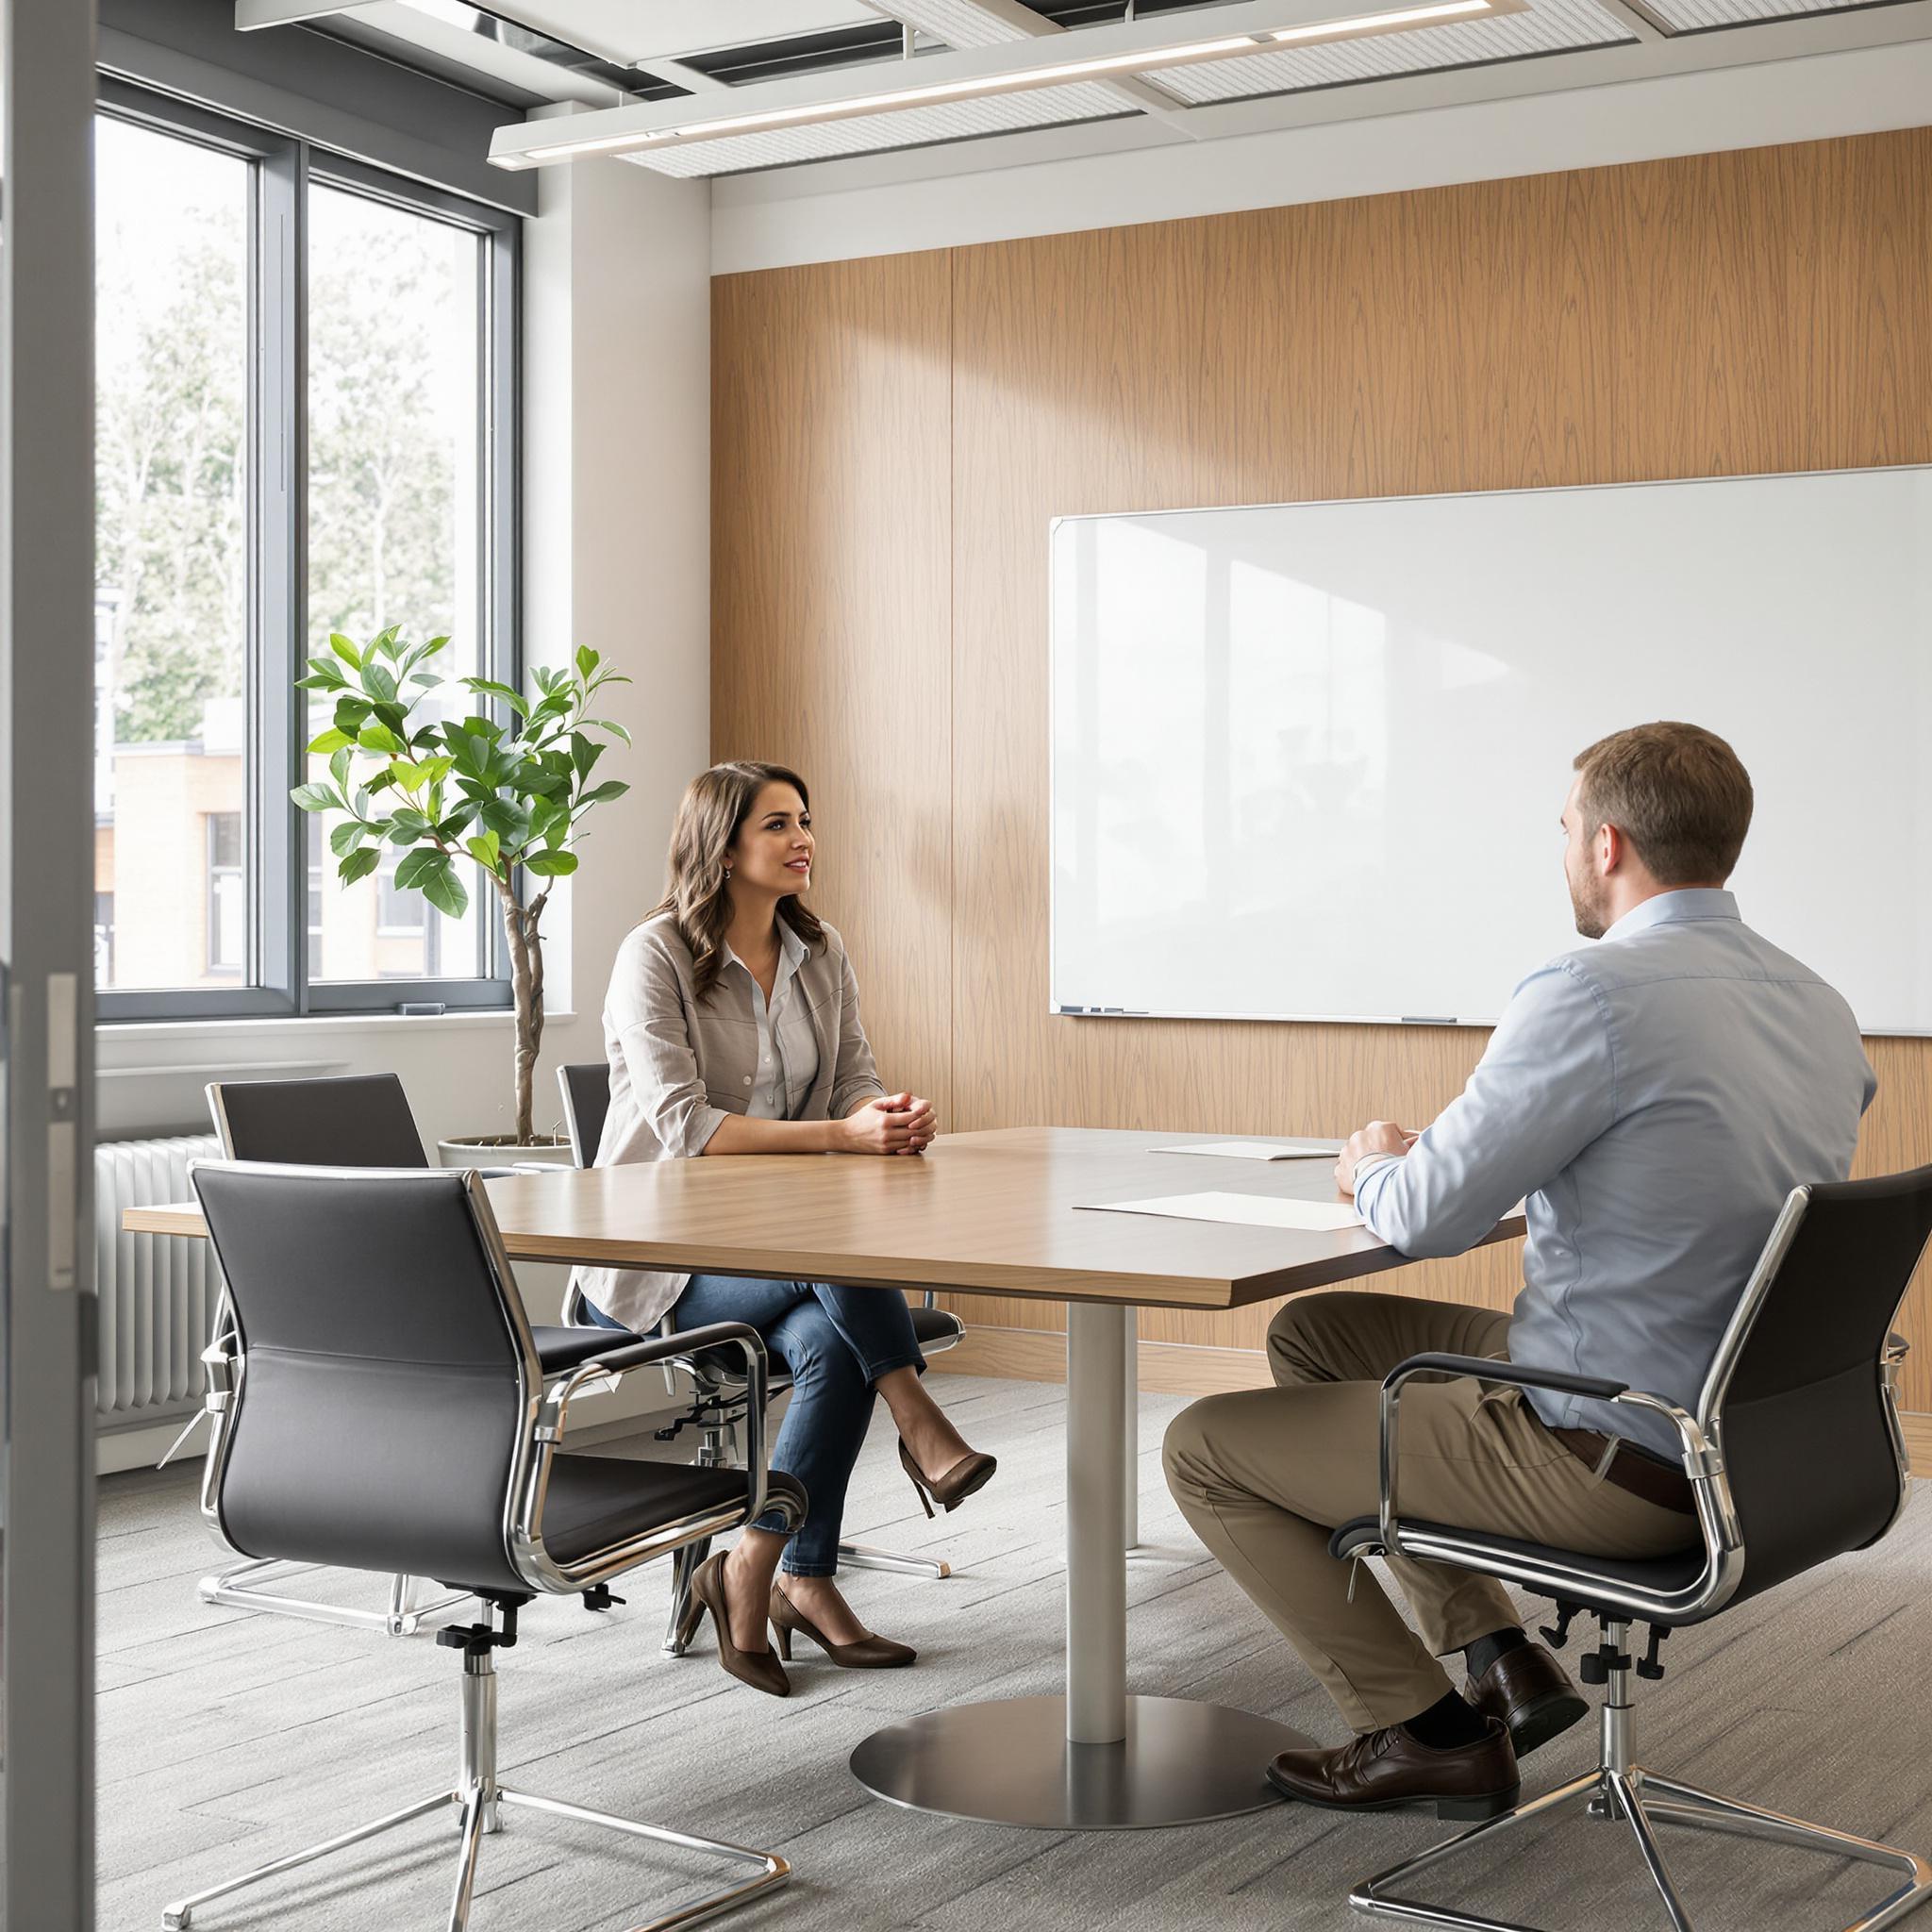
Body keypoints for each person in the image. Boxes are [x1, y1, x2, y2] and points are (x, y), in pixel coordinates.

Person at [1163, 721, 1875, 1818]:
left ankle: (1421, 1730)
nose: (1562, 852)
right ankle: (1498, 1650)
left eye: (1563, 828)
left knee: (1202, 1443)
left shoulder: (1591, 989)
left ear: (1607, 845)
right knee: (1316, 1333)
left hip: (1607, 1448)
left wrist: (1369, 1164)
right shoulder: (1819, 1005)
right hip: (1743, 1427)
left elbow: (1432, 1212)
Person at [578, 759, 995, 1697]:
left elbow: (851, 1071)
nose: (802, 837)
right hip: (664, 1257)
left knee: (827, 1339)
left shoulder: (820, 949)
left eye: (804, 819)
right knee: (836, 1275)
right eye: (777, 823)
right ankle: (912, 1412)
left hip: (786, 1246)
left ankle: (771, 1569)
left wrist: (879, 1116)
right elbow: (686, 1125)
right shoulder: (654, 955)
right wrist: (838, 1138)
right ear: (720, 845)